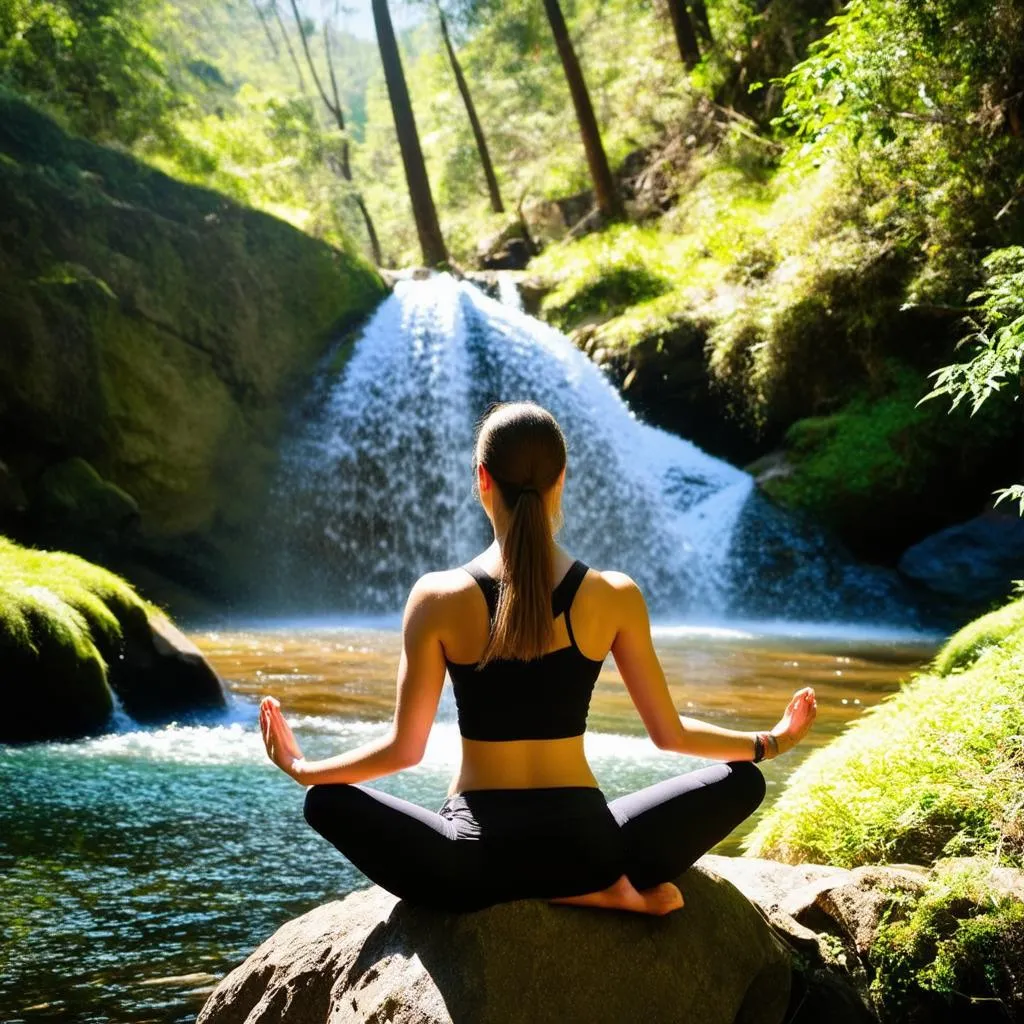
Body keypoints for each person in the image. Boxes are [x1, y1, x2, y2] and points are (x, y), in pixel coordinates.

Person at [259, 401, 817, 916]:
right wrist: (772, 743)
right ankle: (597, 892)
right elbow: (669, 735)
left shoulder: (436, 598)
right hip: (588, 850)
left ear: (482, 480)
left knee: (326, 804)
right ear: (560, 480)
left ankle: (563, 893)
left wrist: (303, 769)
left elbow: (405, 750)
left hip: (471, 864)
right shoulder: (614, 595)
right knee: (745, 781)